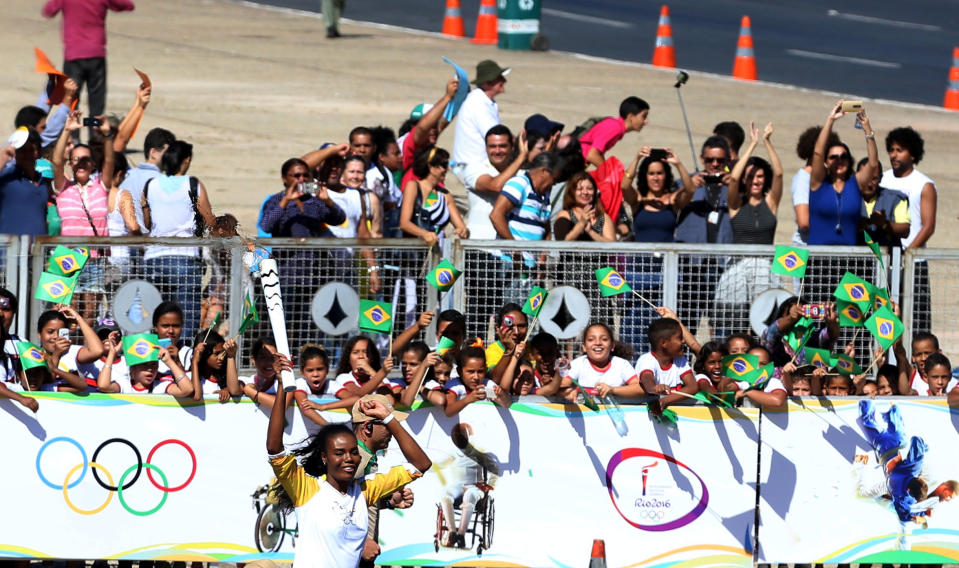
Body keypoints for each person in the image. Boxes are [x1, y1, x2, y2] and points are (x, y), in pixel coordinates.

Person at [266, 373, 431, 568]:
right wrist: (281, 385)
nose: (349, 459)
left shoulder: (365, 491)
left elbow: (421, 464)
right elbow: (275, 448)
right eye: (339, 453)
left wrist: (388, 418)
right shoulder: (306, 489)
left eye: (353, 452)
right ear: (324, 457)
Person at [141, 140, 216, 339]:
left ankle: (157, 362)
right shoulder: (193, 184)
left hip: (154, 257)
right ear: (187, 160)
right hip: (185, 256)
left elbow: (148, 223)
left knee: (157, 321)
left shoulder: (150, 185)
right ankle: (183, 361)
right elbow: (209, 220)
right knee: (186, 320)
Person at [52, 110, 114, 320]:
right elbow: (56, 161)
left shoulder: (100, 186)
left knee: (89, 312)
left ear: (92, 164)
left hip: (95, 257)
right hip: (65, 255)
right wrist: (67, 130)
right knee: (60, 311)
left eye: (86, 159)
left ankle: (84, 350)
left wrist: (107, 136)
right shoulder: (63, 187)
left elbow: (109, 162)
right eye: (76, 160)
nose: (80, 163)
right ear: (70, 164)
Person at [42, 0, 135, 129]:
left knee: (71, 100)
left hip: (73, 56)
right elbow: (126, 5)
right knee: (96, 104)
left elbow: (48, 11)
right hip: (96, 54)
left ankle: (73, 138)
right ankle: (94, 136)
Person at [881, 127, 936, 334]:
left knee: (917, 319)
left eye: (900, 150)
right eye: (892, 149)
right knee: (884, 318)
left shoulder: (923, 184)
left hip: (914, 261)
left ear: (912, 154)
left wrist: (906, 255)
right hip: (885, 259)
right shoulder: (883, 179)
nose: (894, 154)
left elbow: (928, 225)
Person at [350, 394, 416, 566]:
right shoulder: (354, 460)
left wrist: (387, 502)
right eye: (388, 424)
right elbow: (335, 507)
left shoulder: (363, 456)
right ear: (368, 427)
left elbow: (357, 501)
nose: (393, 431)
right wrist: (361, 542)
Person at [808, 99, 879, 245]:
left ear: (849, 160)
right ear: (826, 163)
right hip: (818, 259)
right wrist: (830, 120)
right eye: (833, 157)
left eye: (843, 157)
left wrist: (867, 130)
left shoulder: (855, 183)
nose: (839, 160)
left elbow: (873, 163)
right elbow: (817, 153)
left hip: (846, 258)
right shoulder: (818, 183)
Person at [461, 126, 529, 239]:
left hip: (509, 247)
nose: (497, 151)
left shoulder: (522, 174)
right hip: (479, 246)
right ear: (486, 148)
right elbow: (495, 186)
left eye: (502, 146)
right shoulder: (475, 168)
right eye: (492, 146)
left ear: (512, 147)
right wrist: (521, 157)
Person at [452, 60, 509, 184]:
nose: (504, 81)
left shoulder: (485, 101)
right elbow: (496, 136)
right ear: (487, 83)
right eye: (499, 78)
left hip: (473, 166)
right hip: (474, 168)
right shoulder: (478, 104)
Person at [727, 121, 784, 244]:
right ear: (744, 179)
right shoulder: (736, 203)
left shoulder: (770, 202)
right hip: (741, 262)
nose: (755, 181)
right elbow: (734, 179)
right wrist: (752, 145)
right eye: (750, 177)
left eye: (760, 176)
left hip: (766, 262)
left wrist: (767, 141)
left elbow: (778, 174)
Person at [623, 147, 695, 242]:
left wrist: (678, 164)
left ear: (666, 175)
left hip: (666, 256)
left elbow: (690, 189)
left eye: (659, 173)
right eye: (651, 174)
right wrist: (637, 159)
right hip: (641, 256)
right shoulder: (638, 200)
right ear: (645, 176)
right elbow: (624, 186)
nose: (655, 178)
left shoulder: (672, 200)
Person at [399, 146, 468, 243]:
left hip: (438, 253)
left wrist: (463, 231)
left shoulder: (445, 195)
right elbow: (404, 223)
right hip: (414, 253)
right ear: (430, 167)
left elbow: (461, 226)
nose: (447, 169)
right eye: (444, 165)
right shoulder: (413, 186)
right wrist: (425, 234)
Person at [560, 322, 640, 403]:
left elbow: (639, 389)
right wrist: (569, 391)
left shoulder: (622, 364)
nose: (598, 343)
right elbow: (562, 385)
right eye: (591, 339)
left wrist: (612, 390)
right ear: (584, 347)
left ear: (612, 346)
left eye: (604, 339)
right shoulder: (578, 364)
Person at [635, 318, 698, 415]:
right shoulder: (646, 360)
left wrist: (665, 401)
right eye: (679, 338)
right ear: (663, 343)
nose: (684, 341)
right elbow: (647, 380)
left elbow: (693, 387)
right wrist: (654, 388)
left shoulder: (680, 360)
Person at [118, 126, 175, 229]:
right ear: (153, 152)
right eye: (168, 153)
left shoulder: (125, 176)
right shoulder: (163, 182)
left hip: (123, 240)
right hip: (150, 241)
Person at [0, 128, 50, 235]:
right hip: (10, 250)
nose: (27, 155)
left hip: (37, 249)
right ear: (15, 153)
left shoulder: (44, 181)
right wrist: (2, 158)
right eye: (22, 150)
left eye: (31, 150)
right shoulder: (7, 177)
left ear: (39, 153)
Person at [578, 96, 650, 168]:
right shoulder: (615, 128)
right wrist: (612, 175)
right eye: (643, 116)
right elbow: (592, 155)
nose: (646, 121)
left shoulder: (615, 125)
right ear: (630, 117)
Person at [444, 347, 512, 416]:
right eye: (471, 372)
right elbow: (448, 411)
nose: (476, 377)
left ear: (485, 369)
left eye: (480, 372)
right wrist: (468, 399)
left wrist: (501, 396)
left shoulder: (486, 386)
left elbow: (507, 404)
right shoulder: (454, 385)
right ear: (459, 371)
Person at [858, 157, 909, 248]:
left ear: (881, 178)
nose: (869, 184)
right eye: (865, 178)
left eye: (874, 179)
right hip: (853, 258)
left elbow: (905, 230)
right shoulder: (845, 197)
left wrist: (884, 224)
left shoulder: (895, 199)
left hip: (886, 258)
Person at [552, 171, 615, 242]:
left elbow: (612, 245)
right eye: (580, 189)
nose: (585, 192)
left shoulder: (602, 217)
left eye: (590, 189)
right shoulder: (565, 215)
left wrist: (591, 232)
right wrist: (581, 223)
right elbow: (563, 243)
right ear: (572, 192)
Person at [189, 330, 242, 402]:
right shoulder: (190, 377)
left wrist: (231, 355)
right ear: (203, 354)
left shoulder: (227, 380)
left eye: (223, 352)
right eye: (216, 353)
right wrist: (195, 361)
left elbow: (235, 391)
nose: (221, 357)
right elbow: (196, 396)